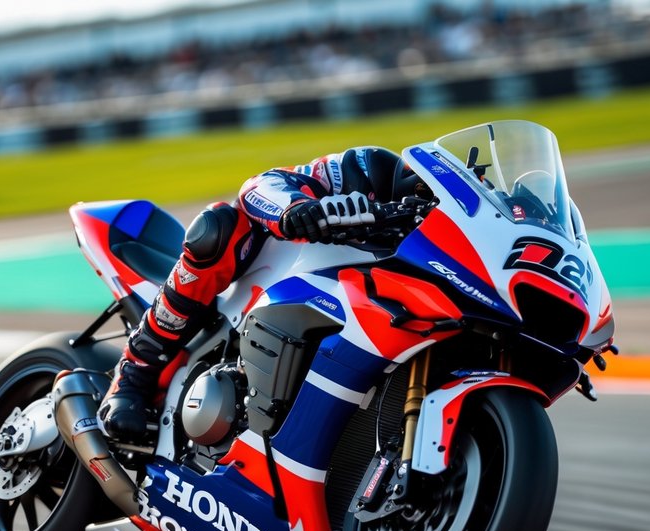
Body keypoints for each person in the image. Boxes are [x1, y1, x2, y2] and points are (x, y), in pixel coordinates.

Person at [98, 146, 431, 441]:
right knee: (217, 228)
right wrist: (297, 209)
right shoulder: (364, 169)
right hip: (261, 283)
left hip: (361, 305)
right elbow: (261, 184)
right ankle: (133, 373)